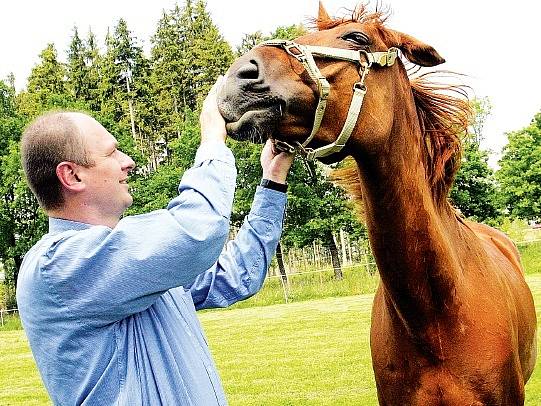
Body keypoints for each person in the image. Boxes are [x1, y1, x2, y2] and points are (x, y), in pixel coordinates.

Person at [16, 78, 294, 405]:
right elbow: (198, 229)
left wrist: (272, 181)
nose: (127, 161)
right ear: (73, 176)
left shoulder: (135, 270)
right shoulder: (56, 268)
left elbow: (237, 275)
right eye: (111, 152)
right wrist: (212, 139)